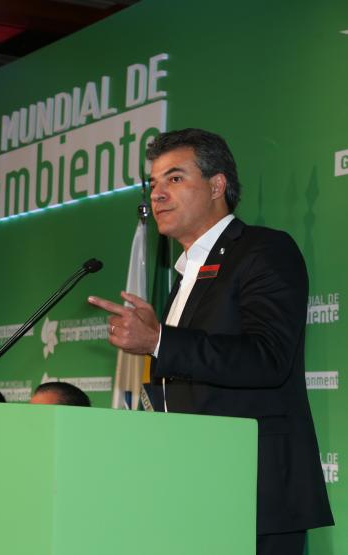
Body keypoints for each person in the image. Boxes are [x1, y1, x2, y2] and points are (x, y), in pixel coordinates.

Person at [88, 128, 333, 555]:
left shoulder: (263, 251)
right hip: (192, 489)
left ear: (217, 185)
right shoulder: (186, 275)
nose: (157, 194)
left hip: (254, 494)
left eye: (174, 178)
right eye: (153, 182)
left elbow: (268, 358)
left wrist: (160, 340)